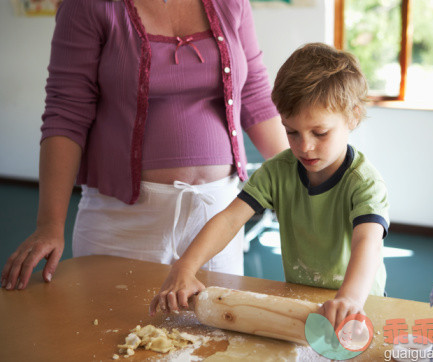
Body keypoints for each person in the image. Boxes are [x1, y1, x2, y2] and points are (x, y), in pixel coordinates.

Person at [1, 0, 289, 291]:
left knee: (214, 335)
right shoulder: (88, 5)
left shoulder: (232, 3)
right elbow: (66, 113)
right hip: (124, 220)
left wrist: (300, 176)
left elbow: (255, 95)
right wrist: (50, 224)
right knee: (110, 333)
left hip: (217, 218)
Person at [150, 42, 390, 330]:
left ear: (352, 116)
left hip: (359, 306)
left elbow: (369, 242)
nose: (305, 147)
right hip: (303, 303)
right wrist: (185, 267)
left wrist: (349, 298)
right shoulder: (279, 171)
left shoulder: (364, 182)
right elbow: (229, 221)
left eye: (320, 132)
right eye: (291, 132)